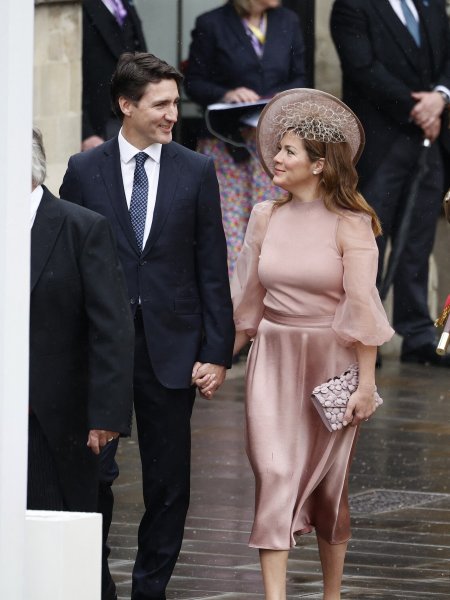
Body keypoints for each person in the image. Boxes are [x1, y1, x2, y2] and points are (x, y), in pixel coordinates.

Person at [60, 52, 235, 600]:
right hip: (100, 352)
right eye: (161, 103)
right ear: (126, 105)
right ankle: (96, 585)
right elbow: (60, 265)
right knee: (93, 476)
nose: (171, 114)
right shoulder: (84, 171)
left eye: (175, 103)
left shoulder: (196, 169)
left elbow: (212, 264)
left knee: (168, 484)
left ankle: (149, 591)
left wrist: (217, 351)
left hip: (173, 349)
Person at [231, 89, 394, 599]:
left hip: (332, 363)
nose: (275, 159)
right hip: (274, 361)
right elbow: (246, 301)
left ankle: (331, 595)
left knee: (330, 491)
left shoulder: (353, 223)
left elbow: (363, 308)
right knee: (275, 472)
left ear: (320, 165)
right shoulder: (264, 216)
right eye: (277, 149)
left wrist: (365, 387)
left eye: (289, 151)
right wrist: (216, 360)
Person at [330, 0, 450, 367]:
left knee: (418, 239)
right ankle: (365, 337)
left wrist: (441, 97)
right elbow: (363, 68)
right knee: (369, 241)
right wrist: (419, 109)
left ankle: (416, 335)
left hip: (431, 141)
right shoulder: (352, 6)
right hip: (381, 140)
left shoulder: (430, 4)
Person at [28, 127, 134, 514]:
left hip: (55, 422)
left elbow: (112, 330)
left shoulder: (82, 228)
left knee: (52, 533)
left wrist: (106, 415)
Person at [184, 0, 306, 274]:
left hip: (275, 141)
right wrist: (226, 94)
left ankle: (272, 296)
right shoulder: (212, 23)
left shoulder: (288, 21)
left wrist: (278, 98)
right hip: (226, 141)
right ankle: (231, 304)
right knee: (228, 226)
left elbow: (300, 77)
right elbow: (194, 82)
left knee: (274, 222)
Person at [82, 0, 147, 151]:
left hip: (133, 116)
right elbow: (67, 75)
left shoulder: (125, 5)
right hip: (99, 124)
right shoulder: (80, 6)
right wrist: (85, 133)